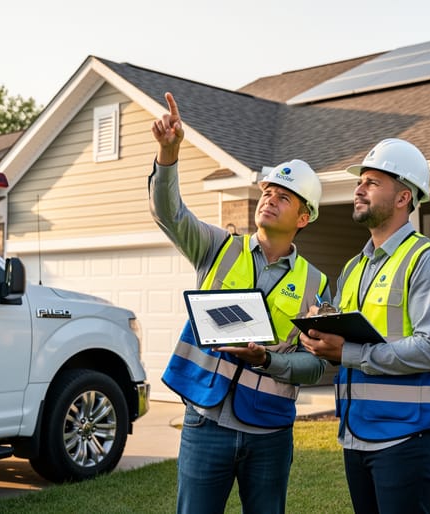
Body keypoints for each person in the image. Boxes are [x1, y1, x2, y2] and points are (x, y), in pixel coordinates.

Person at [150, 92, 330, 514]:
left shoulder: (316, 285)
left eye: (284, 196)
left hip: (269, 430)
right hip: (204, 421)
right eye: (268, 191)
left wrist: (268, 362)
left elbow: (317, 365)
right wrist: (168, 155)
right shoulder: (217, 248)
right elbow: (168, 212)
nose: (270, 198)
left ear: (303, 218)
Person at [300, 138, 430, 514]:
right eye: (360, 182)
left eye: (372, 182)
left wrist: (348, 352)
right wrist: (320, 333)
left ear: (404, 197)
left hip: (408, 435)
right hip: (358, 433)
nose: (359, 189)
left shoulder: (429, 262)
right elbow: (350, 340)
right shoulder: (355, 267)